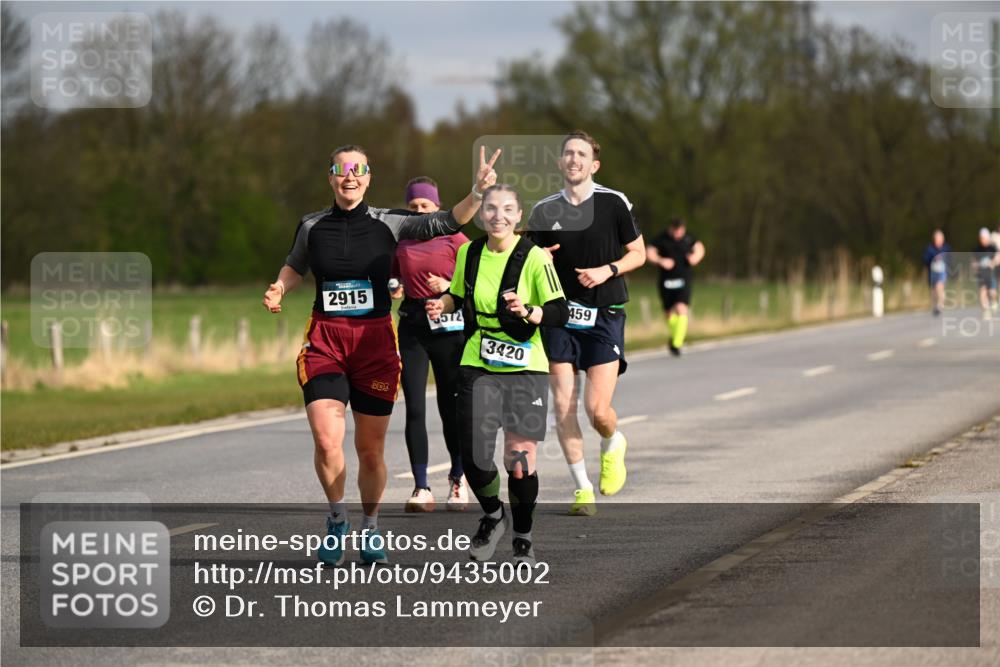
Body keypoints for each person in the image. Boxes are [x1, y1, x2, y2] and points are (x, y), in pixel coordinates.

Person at [263, 145, 500, 565]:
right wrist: (281, 287)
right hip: (326, 341)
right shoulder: (311, 225)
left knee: (370, 449)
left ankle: (370, 527)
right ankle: (338, 521)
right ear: (331, 176)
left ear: (368, 177)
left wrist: (478, 193)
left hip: (374, 343)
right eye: (341, 170)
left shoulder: (391, 222)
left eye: (357, 170)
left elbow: (446, 220)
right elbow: (294, 265)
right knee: (325, 438)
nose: (349, 177)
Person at [425, 184, 568, 564]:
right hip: (478, 357)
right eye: (490, 208)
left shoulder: (535, 258)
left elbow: (559, 311)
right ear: (481, 214)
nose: (498, 215)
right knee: (473, 452)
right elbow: (458, 294)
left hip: (525, 365)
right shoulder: (469, 253)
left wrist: (527, 311)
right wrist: (443, 303)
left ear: (519, 216)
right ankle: (493, 514)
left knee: (519, 459)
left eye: (507, 209)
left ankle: (523, 535)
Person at [526, 130, 645, 517]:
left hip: (603, 315)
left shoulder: (613, 203)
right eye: (568, 154)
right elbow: (523, 262)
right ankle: (582, 490)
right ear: (560, 163)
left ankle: (613, 442)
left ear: (593, 165)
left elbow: (638, 253)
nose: (574, 159)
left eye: (581, 154)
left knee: (597, 410)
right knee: (563, 406)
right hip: (558, 317)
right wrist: (535, 255)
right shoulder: (543, 210)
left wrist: (607, 270)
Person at [391, 177, 470, 512]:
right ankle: (421, 487)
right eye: (414, 207)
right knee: (415, 408)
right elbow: (391, 274)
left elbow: (477, 279)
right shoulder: (403, 238)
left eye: (425, 206)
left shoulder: (455, 237)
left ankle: (457, 478)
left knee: (450, 407)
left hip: (450, 329)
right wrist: (394, 285)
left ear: (437, 206)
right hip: (413, 325)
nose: (420, 212)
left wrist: (448, 283)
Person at [647, 218, 706, 355]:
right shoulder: (661, 239)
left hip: (683, 279)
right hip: (666, 280)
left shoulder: (689, 238)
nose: (678, 233)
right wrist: (661, 260)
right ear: (670, 228)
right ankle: (675, 337)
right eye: (675, 230)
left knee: (681, 308)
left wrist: (695, 258)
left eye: (680, 230)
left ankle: (677, 343)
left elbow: (700, 248)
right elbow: (649, 252)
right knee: (668, 313)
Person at [921, 229, 951, 316]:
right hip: (933, 273)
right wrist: (933, 259)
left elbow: (950, 259)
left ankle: (939, 305)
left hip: (943, 272)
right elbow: (925, 259)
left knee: (939, 285)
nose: (939, 241)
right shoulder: (930, 249)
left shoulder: (946, 248)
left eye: (940, 239)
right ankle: (935, 305)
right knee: (934, 290)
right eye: (937, 239)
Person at [972, 227, 998, 320]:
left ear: (988, 238)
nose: (983, 240)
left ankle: (994, 301)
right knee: (982, 292)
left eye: (985, 238)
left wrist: (993, 263)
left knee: (992, 292)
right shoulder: (976, 249)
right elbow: (973, 262)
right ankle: (986, 311)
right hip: (981, 274)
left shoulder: (992, 248)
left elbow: (998, 259)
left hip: (991, 274)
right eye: (981, 238)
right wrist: (976, 266)